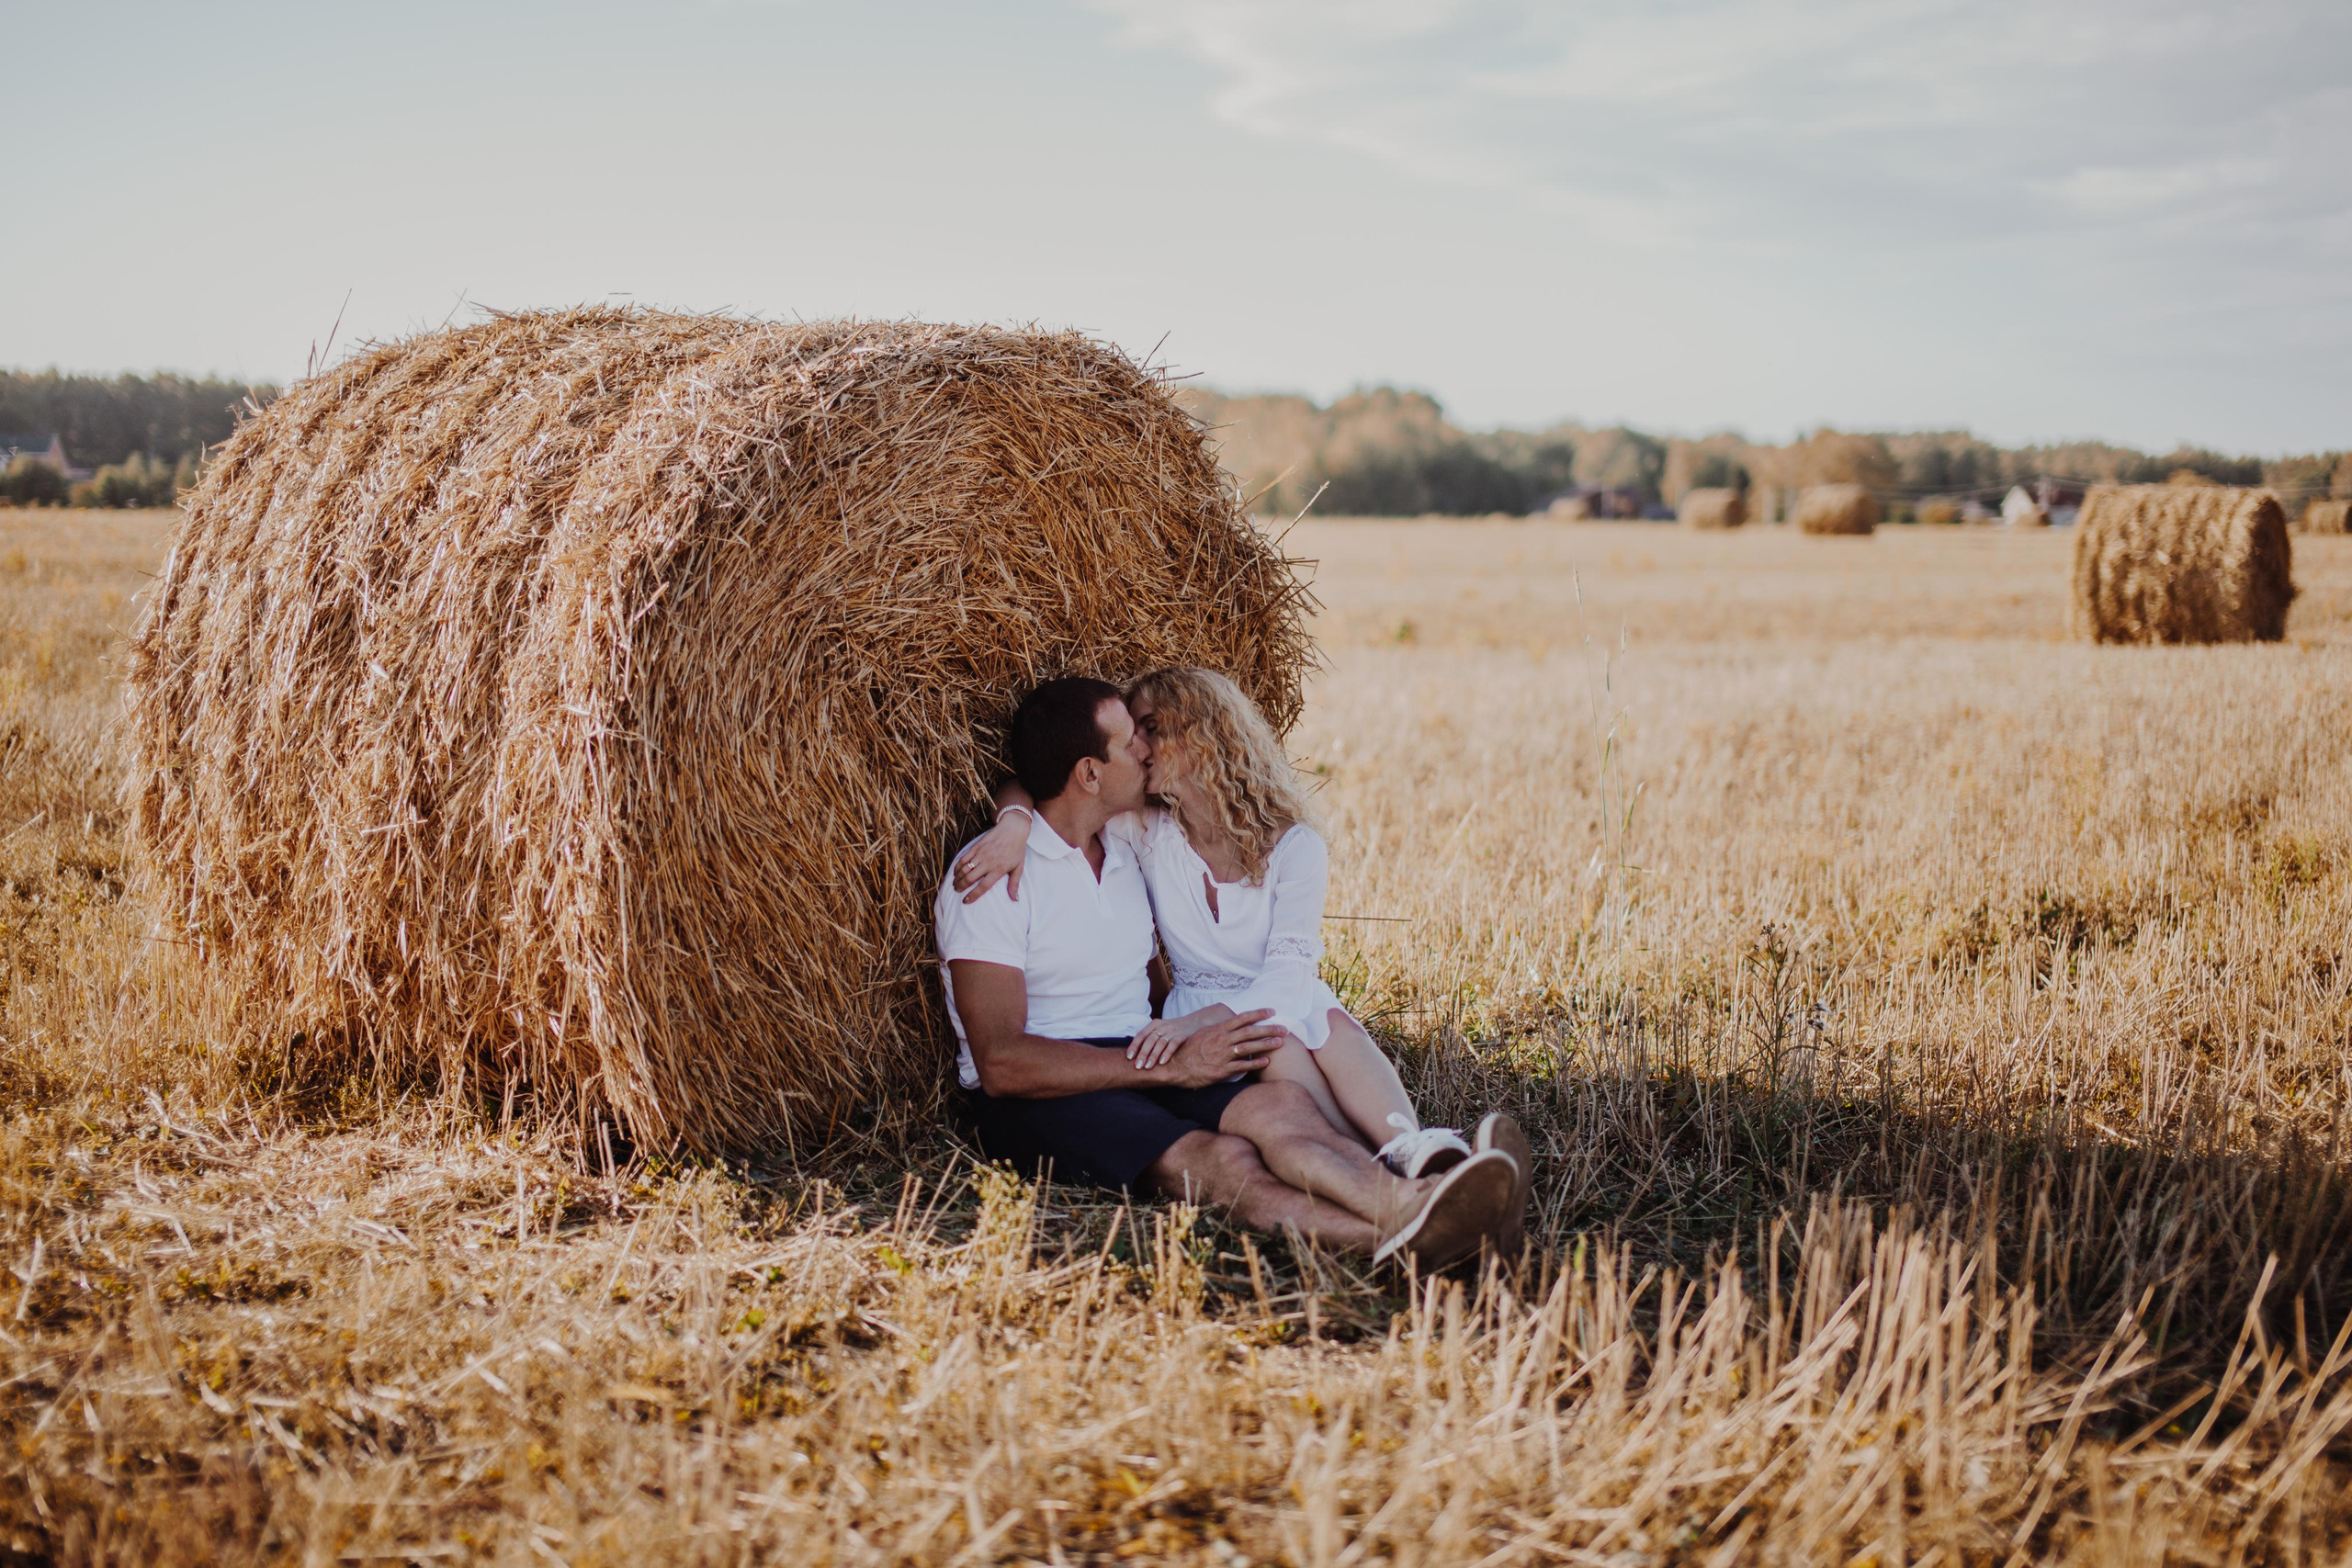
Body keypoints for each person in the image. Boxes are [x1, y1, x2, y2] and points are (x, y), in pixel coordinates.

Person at [933, 676, 1524, 1269]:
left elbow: (1147, 972)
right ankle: (1413, 1230)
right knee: (1222, 1161)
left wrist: (1176, 1047)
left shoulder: (1120, 851)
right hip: (1043, 1089)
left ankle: (1418, 1191)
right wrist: (1173, 1071)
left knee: (1282, 1108)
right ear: (1091, 773)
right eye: (1129, 740)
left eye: (1149, 733)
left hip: (1142, 1048)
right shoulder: (990, 879)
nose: (1143, 748)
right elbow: (1002, 1066)